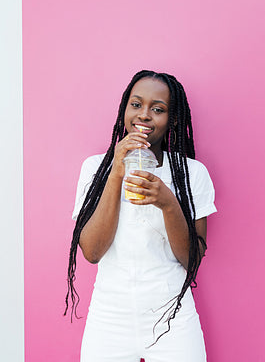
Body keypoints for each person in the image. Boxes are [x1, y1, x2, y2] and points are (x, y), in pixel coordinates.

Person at [65, 70, 217, 362]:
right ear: (125, 109)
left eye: (157, 109)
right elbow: (93, 252)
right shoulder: (95, 168)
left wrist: (169, 204)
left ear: (172, 120)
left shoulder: (191, 174)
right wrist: (117, 172)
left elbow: (193, 260)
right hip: (109, 318)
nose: (144, 115)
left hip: (172, 318)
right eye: (136, 105)